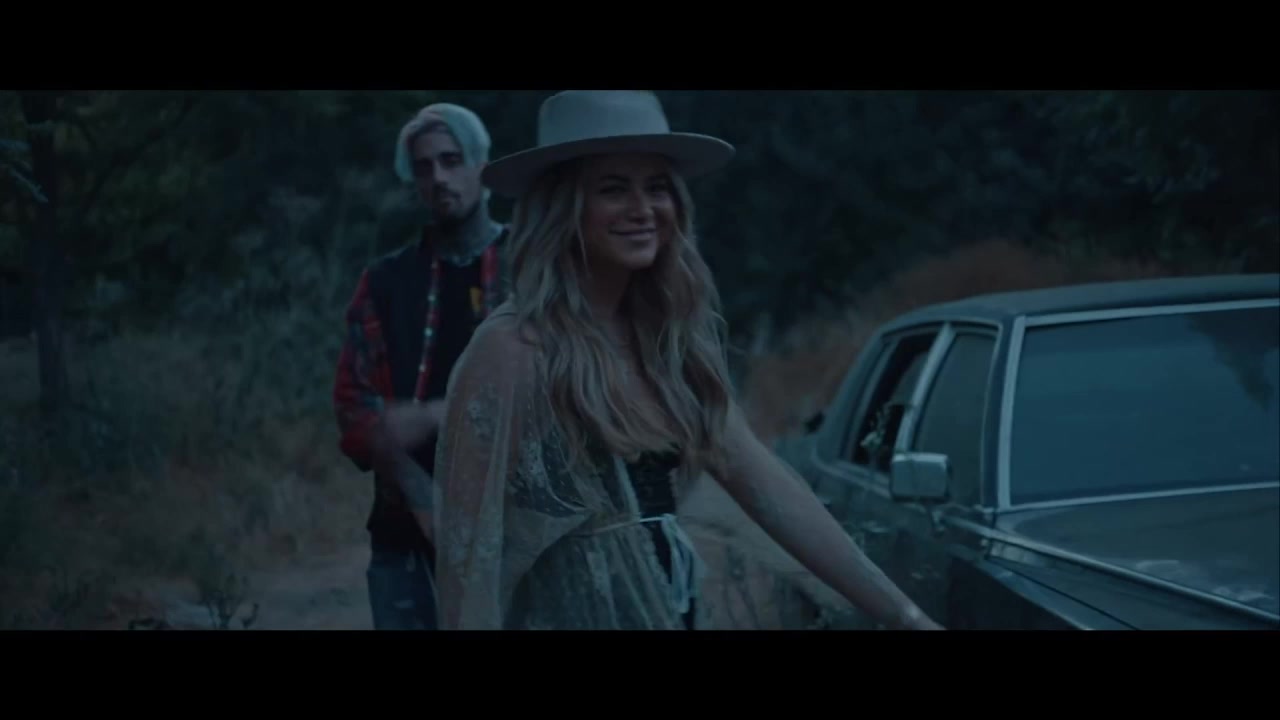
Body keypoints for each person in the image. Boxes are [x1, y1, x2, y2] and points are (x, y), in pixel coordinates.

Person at [430, 90, 943, 631]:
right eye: (613, 189)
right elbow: (468, 556)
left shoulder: (668, 344)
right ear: (564, 207)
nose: (642, 209)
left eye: (656, 187)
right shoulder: (513, 349)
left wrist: (904, 614)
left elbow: (772, 492)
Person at [333, 102, 507, 630]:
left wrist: (434, 414)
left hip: (515, 532)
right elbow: (355, 410)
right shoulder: (387, 281)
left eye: (451, 161)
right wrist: (423, 499)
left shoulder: (529, 264)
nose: (439, 178)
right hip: (405, 535)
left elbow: (557, 392)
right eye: (424, 167)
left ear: (480, 166)